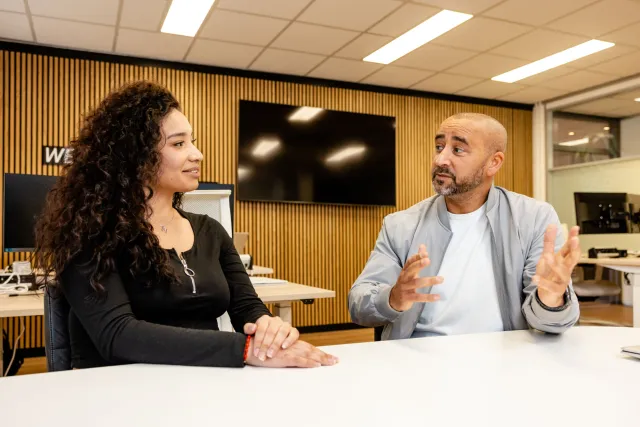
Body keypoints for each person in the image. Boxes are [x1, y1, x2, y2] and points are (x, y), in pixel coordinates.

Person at [35, 81, 337, 369]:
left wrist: (266, 327)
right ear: (135, 156)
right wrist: (242, 350)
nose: (197, 154)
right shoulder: (91, 232)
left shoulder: (210, 231)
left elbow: (246, 308)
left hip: (200, 383)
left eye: (192, 141)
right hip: (119, 392)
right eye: (179, 143)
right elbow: (118, 335)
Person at [349, 113, 581, 340]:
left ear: (494, 162)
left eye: (457, 150)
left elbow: (553, 323)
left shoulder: (533, 218)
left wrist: (550, 301)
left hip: (506, 360)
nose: (440, 160)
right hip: (418, 358)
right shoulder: (401, 225)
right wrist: (392, 298)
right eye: (439, 147)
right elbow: (358, 304)